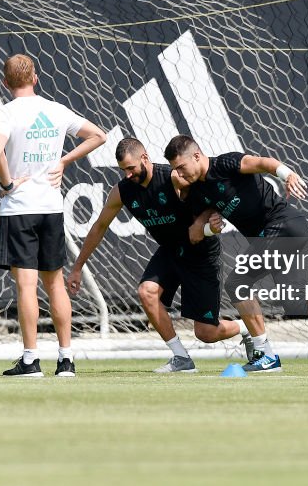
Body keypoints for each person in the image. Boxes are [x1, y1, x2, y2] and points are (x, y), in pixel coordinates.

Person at [164, 135, 308, 373]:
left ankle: (266, 355)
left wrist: (286, 174)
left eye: (180, 167)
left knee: (238, 283)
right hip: (282, 236)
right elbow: (196, 233)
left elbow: (262, 163)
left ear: (196, 156)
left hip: (284, 226)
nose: (179, 174)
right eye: (174, 170)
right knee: (296, 305)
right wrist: (211, 227)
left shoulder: (225, 164)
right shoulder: (199, 191)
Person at [66, 138, 254, 373]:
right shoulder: (122, 191)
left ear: (145, 158)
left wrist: (211, 218)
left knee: (206, 333)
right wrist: (77, 267)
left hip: (201, 253)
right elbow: (99, 227)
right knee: (146, 291)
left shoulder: (175, 177)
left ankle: (245, 329)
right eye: (123, 169)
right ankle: (181, 358)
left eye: (131, 168)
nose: (127, 174)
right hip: (170, 250)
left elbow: (210, 198)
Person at [0, 53, 106, 378]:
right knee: (55, 284)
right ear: (36, 77)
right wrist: (64, 161)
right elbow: (100, 135)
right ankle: (66, 360)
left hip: (20, 209)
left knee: (26, 287)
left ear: (5, 82)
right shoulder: (55, 110)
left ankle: (30, 360)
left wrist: (7, 182)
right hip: (51, 209)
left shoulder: (6, 113)